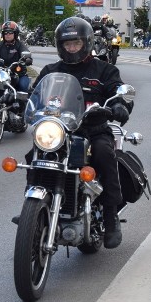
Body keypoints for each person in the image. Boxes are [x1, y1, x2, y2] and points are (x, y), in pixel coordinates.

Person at [30, 16, 131, 249]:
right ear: (60, 46)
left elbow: (119, 91)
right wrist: (23, 98)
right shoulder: (50, 71)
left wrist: (120, 105)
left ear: (86, 43)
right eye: (67, 44)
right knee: (34, 157)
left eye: (76, 44)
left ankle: (110, 215)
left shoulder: (104, 70)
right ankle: (33, 210)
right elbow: (35, 94)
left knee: (105, 155)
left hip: (93, 130)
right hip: (60, 132)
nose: (72, 48)